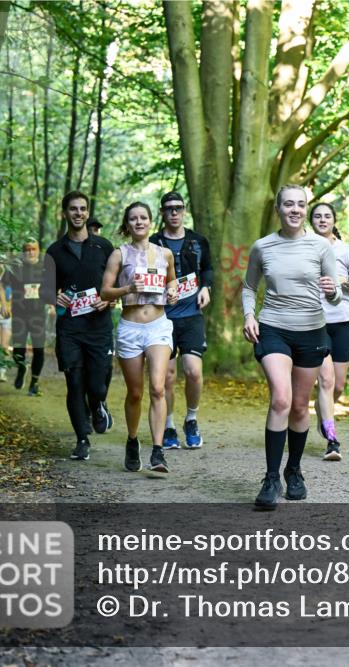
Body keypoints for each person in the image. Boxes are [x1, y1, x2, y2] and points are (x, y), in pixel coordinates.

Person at [242, 185, 342, 509]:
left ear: (305, 208)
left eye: (301, 204)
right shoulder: (263, 247)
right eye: (289, 204)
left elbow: (336, 291)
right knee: (281, 399)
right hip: (273, 328)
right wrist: (249, 315)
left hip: (312, 331)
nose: (295, 210)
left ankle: (294, 471)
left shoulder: (321, 247)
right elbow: (248, 286)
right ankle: (271, 478)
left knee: (300, 406)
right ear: (278, 208)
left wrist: (332, 292)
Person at [101, 202, 178, 473]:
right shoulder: (118, 255)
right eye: (133, 219)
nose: (139, 222)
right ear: (127, 224)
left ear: (150, 221)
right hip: (130, 328)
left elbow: (172, 281)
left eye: (143, 217)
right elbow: (104, 292)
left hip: (158, 325)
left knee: (158, 387)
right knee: (135, 392)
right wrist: (128, 288)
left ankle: (158, 452)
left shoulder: (164, 253)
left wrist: (173, 291)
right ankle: (133, 441)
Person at [43, 191, 115, 461]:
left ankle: (98, 403)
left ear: (87, 212)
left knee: (97, 384)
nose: (78, 213)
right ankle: (82, 438)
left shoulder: (104, 247)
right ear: (65, 213)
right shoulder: (54, 251)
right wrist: (54, 296)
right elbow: (44, 289)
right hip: (70, 327)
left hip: (98, 327)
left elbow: (116, 286)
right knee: (74, 382)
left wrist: (108, 301)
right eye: (73, 209)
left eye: (83, 209)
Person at [151, 192, 213, 450]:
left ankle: (191, 418)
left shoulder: (198, 240)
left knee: (193, 372)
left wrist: (206, 287)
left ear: (184, 210)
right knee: (166, 378)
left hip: (191, 317)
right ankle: (169, 425)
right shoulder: (153, 242)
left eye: (178, 208)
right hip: (162, 318)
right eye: (169, 209)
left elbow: (208, 268)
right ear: (163, 213)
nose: (174, 213)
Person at [308, 202, 349, 461]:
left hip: (343, 321)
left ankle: (324, 414)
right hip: (315, 322)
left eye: (327, 216)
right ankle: (332, 440)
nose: (322, 220)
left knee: (338, 385)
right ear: (311, 221)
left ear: (334, 220)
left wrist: (347, 282)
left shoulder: (347, 251)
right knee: (326, 380)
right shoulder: (305, 248)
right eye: (318, 216)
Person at [8, 239, 51, 396]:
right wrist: (5, 303)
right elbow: (3, 285)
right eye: (27, 249)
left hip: (38, 314)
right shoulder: (16, 268)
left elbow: (53, 287)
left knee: (39, 349)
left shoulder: (44, 269)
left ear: (38, 250)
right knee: (18, 349)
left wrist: (53, 303)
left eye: (33, 249)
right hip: (19, 314)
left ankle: (34, 382)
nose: (30, 252)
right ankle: (21, 368)